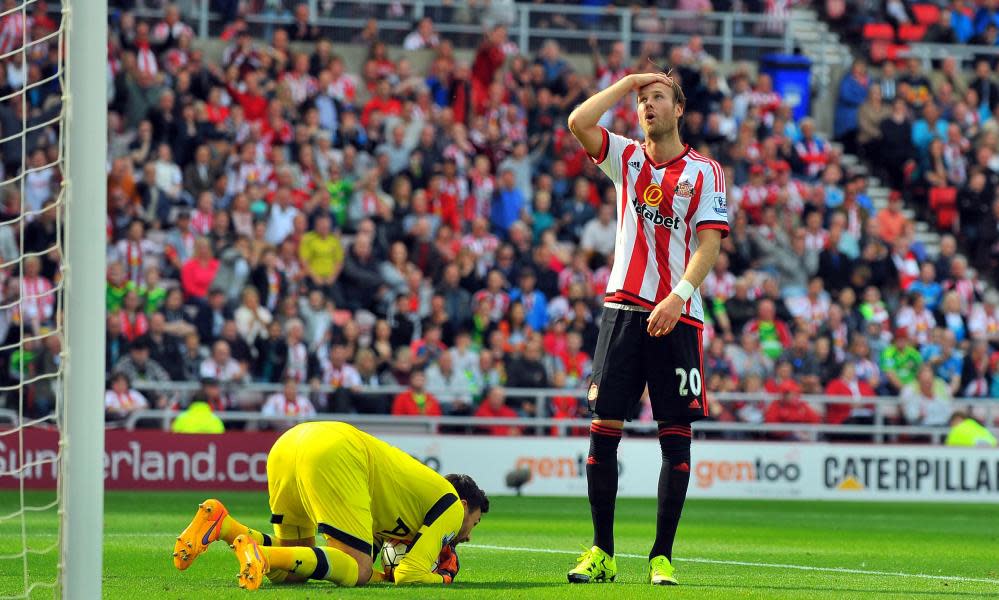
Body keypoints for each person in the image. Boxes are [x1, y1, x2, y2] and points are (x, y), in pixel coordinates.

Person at [565, 64, 728, 586]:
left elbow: (709, 244)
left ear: (679, 109)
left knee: (675, 437)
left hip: (678, 317)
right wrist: (628, 81)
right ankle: (602, 551)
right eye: (642, 100)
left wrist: (680, 296)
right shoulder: (627, 157)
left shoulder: (705, 172)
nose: (647, 106)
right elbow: (577, 121)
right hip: (622, 311)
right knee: (602, 431)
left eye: (658, 97)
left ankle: (661, 556)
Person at [173, 422, 488, 589]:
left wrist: (383, 573)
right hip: (336, 451)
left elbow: (378, 562)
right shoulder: (451, 507)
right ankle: (262, 555)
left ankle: (224, 525)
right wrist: (443, 577)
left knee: (291, 574)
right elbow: (410, 575)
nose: (469, 535)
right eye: (474, 523)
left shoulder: (410, 499)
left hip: (288, 443)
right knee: (358, 570)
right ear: (464, 505)